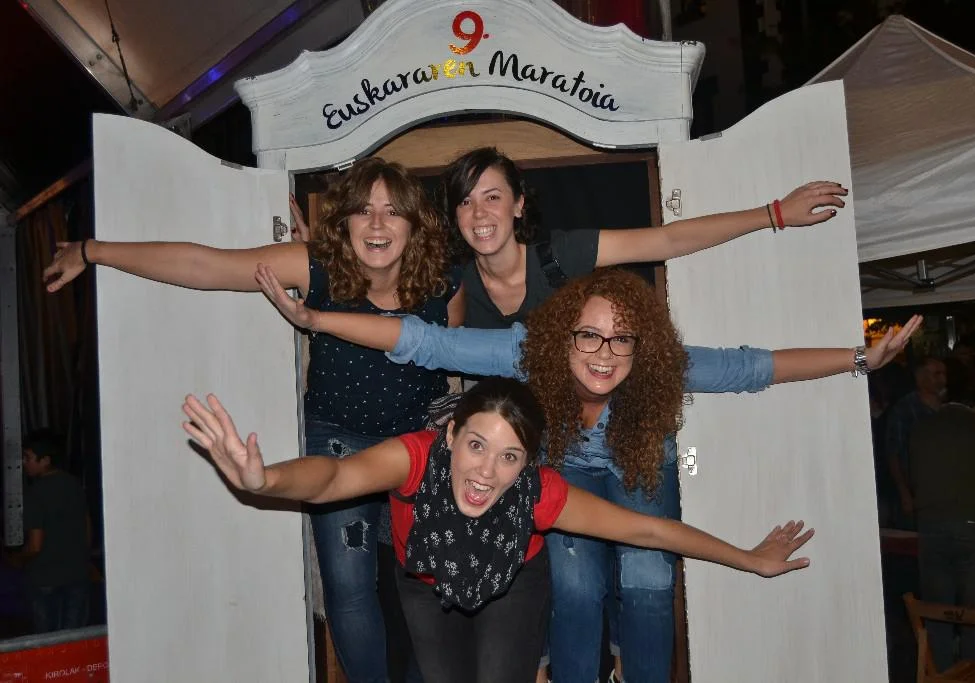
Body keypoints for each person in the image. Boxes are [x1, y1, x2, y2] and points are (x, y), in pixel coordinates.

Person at [256, 264, 919, 683]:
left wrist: (860, 359)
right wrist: (315, 320)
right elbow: (427, 341)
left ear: (640, 344)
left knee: (648, 576)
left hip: (637, 461)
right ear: (562, 337)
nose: (604, 353)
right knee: (575, 583)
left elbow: (755, 367)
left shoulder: (664, 367)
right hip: (564, 469)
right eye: (589, 335)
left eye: (621, 338)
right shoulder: (527, 354)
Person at [42, 158, 458, 683]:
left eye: (392, 211)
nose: (376, 223)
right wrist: (93, 250)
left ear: (415, 223)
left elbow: (454, 374)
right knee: (350, 590)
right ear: (345, 221)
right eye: (363, 210)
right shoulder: (317, 265)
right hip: (338, 442)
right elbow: (205, 266)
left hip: (413, 448)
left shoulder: (445, 285)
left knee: (424, 587)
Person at [181, 377, 813, 683]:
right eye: (477, 445)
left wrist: (748, 557)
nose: (486, 472)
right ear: (452, 434)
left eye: (509, 457)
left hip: (513, 585)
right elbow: (332, 479)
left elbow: (648, 531)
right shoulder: (414, 458)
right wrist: (264, 479)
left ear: (528, 464)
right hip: (425, 585)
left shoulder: (540, 495)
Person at [438, 146, 847, 329]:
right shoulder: (455, 286)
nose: (479, 213)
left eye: (493, 197)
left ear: (518, 205)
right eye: (466, 201)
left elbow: (667, 241)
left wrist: (774, 214)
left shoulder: (560, 255)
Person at [908, 387, 975, 670]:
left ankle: (940, 672)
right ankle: (972, 671)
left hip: (931, 526)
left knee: (938, 611)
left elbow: (914, 478)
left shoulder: (922, 428)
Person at [7, 430, 91, 633]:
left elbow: (35, 545)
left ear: (45, 460)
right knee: (74, 640)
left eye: (28, 457)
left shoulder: (35, 493)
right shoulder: (74, 485)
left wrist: (17, 560)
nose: (24, 463)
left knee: (48, 642)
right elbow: (87, 528)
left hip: (44, 579)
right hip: (77, 575)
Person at [885, 356, 947, 530]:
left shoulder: (949, 407)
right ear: (920, 377)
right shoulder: (904, 410)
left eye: (944, 374)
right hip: (917, 492)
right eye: (937, 374)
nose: (942, 379)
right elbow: (893, 453)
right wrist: (904, 493)